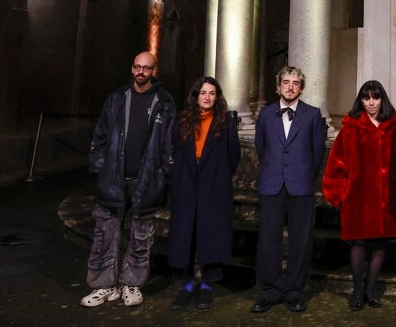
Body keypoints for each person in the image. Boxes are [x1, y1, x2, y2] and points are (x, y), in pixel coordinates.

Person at [80, 51, 175, 308]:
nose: (141, 72)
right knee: (105, 232)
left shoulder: (164, 102)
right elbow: (100, 136)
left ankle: (131, 284)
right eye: (137, 67)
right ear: (132, 69)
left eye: (146, 68)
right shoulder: (116, 98)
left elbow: (169, 144)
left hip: (145, 179)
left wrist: (162, 172)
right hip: (114, 176)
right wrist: (100, 168)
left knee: (141, 234)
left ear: (154, 70)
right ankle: (103, 286)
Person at [251, 66, 327, 314]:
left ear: (301, 88)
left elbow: (317, 154)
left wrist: (303, 175)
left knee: (300, 241)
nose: (290, 87)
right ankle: (271, 290)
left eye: (295, 83)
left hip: (301, 185)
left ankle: (295, 291)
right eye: (286, 82)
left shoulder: (313, 115)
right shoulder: (265, 114)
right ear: (278, 87)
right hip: (272, 184)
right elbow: (261, 148)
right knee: (268, 241)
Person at [322, 80, 396, 310]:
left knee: (379, 245)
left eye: (375, 97)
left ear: (382, 99)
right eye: (366, 98)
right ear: (361, 100)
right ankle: (357, 290)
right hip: (358, 197)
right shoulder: (350, 127)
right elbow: (337, 162)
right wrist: (339, 192)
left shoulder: (394, 127)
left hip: (386, 197)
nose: (371, 103)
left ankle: (370, 290)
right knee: (358, 244)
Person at [167, 76, 241, 310]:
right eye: (203, 93)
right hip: (186, 183)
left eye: (212, 93)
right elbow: (173, 150)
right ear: (196, 96)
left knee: (210, 234)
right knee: (185, 234)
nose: (207, 97)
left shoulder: (226, 122)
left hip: (214, 184)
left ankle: (208, 285)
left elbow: (233, 155)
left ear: (217, 97)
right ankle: (187, 285)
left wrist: (217, 176)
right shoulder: (182, 121)